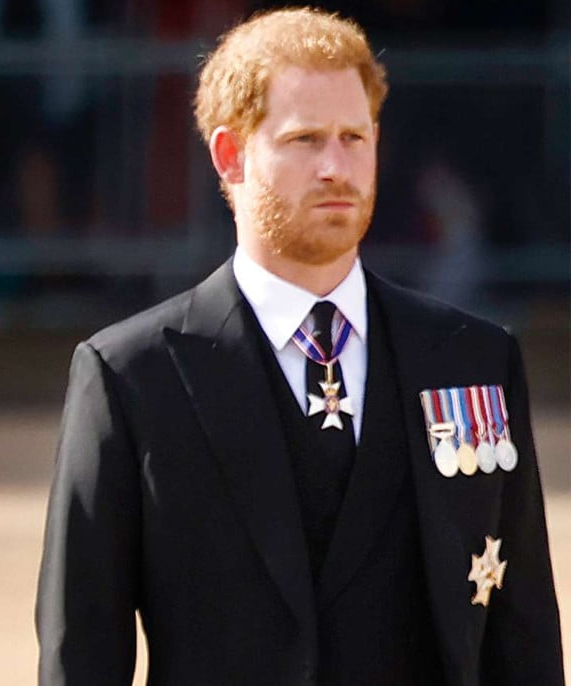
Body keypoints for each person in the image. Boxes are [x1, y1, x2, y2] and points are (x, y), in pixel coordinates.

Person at [36, 8, 562, 685]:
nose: (336, 167)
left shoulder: (475, 361)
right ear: (230, 156)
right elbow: (81, 654)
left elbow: (524, 642)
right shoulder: (132, 378)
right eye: (305, 139)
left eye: (354, 137)